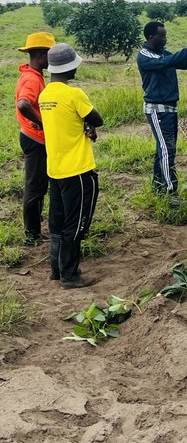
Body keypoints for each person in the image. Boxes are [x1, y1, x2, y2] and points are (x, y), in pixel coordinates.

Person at [39, 43, 103, 289]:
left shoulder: (45, 95)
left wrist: (83, 126)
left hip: (54, 169)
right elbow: (96, 118)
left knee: (57, 221)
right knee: (76, 223)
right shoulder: (74, 94)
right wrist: (90, 126)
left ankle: (55, 269)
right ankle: (70, 275)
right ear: (70, 68)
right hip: (78, 170)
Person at [137, 21, 187, 204]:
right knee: (167, 150)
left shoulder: (163, 53)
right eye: (162, 36)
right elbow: (169, 62)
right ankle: (171, 192)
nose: (165, 39)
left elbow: (185, 64)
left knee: (164, 150)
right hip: (157, 109)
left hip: (170, 108)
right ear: (151, 37)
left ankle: (158, 187)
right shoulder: (145, 55)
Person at [15, 30, 55, 245]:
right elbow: (23, 104)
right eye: (50, 53)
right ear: (41, 55)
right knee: (34, 188)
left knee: (38, 186)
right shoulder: (32, 79)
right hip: (35, 139)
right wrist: (42, 122)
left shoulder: (33, 75)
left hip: (33, 137)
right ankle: (32, 235)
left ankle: (35, 230)